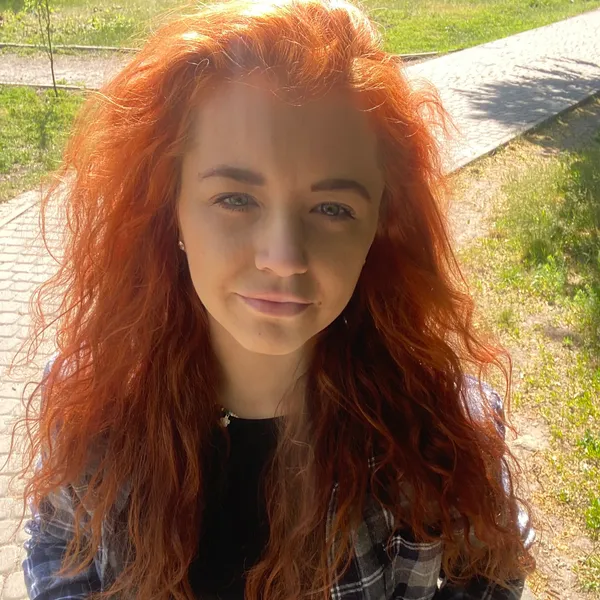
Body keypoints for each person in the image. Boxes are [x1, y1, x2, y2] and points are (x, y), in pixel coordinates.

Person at [10, 0, 536, 598]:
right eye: (235, 198)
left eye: (332, 208)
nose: (283, 257)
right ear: (169, 212)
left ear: (382, 229)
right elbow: (57, 543)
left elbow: (492, 571)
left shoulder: (438, 431)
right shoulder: (93, 402)